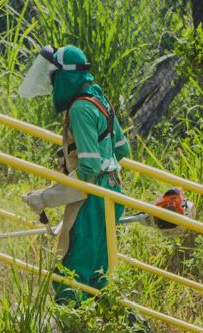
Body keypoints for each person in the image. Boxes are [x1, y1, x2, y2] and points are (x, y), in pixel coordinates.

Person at [18, 44, 131, 304]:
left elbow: (89, 169)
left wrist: (46, 197)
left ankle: (63, 331)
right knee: (100, 276)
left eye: (54, 79)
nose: (51, 85)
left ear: (65, 77)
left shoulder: (80, 109)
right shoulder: (99, 99)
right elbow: (122, 149)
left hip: (94, 201)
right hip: (112, 194)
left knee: (72, 271)